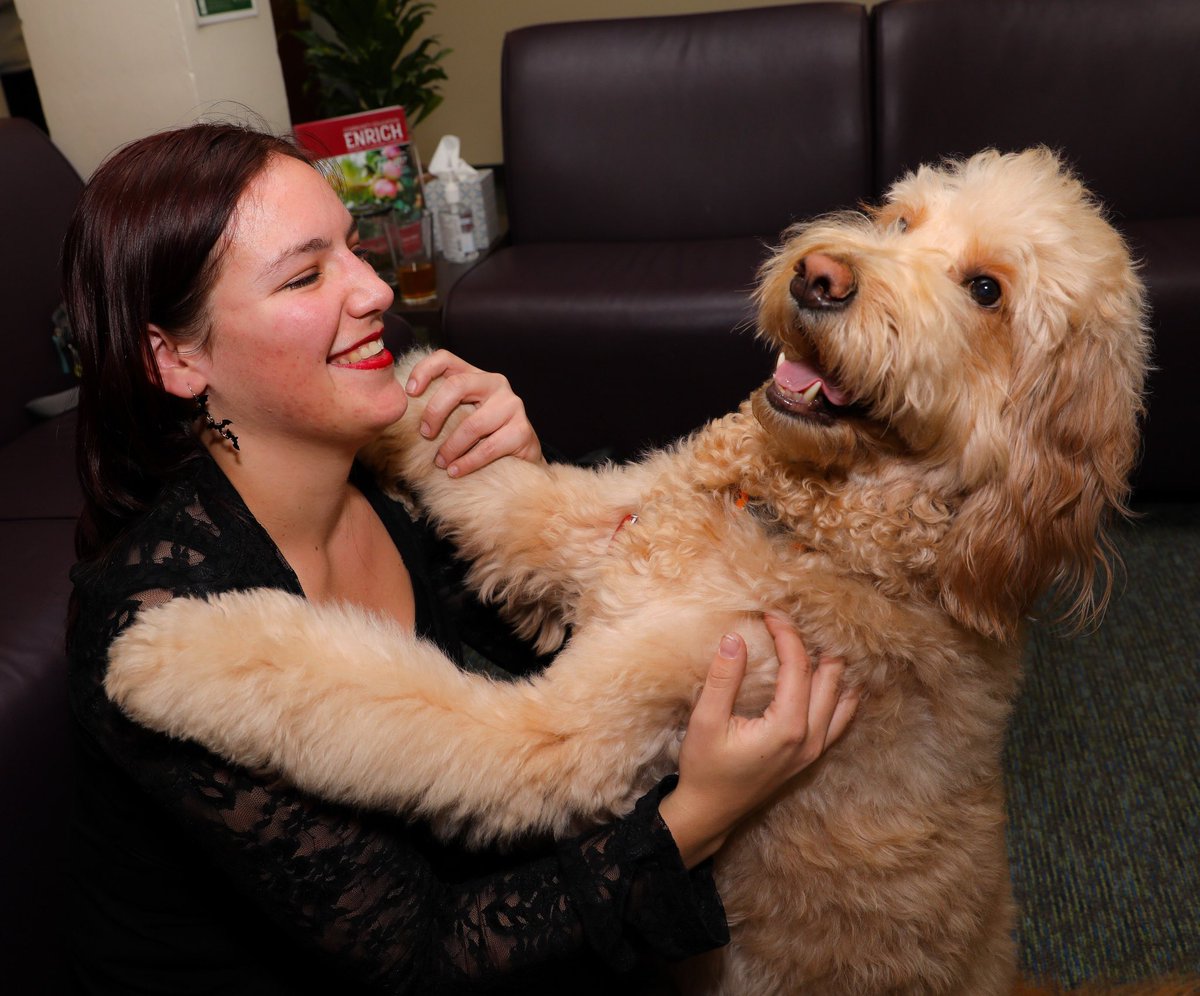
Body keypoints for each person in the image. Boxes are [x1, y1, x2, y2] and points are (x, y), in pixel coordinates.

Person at [64, 122, 860, 995]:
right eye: (305, 275)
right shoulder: (158, 619)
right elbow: (420, 949)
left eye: (353, 248)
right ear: (175, 357)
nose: (372, 290)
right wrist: (700, 812)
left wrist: (518, 490)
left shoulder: (382, 480)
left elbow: (555, 646)